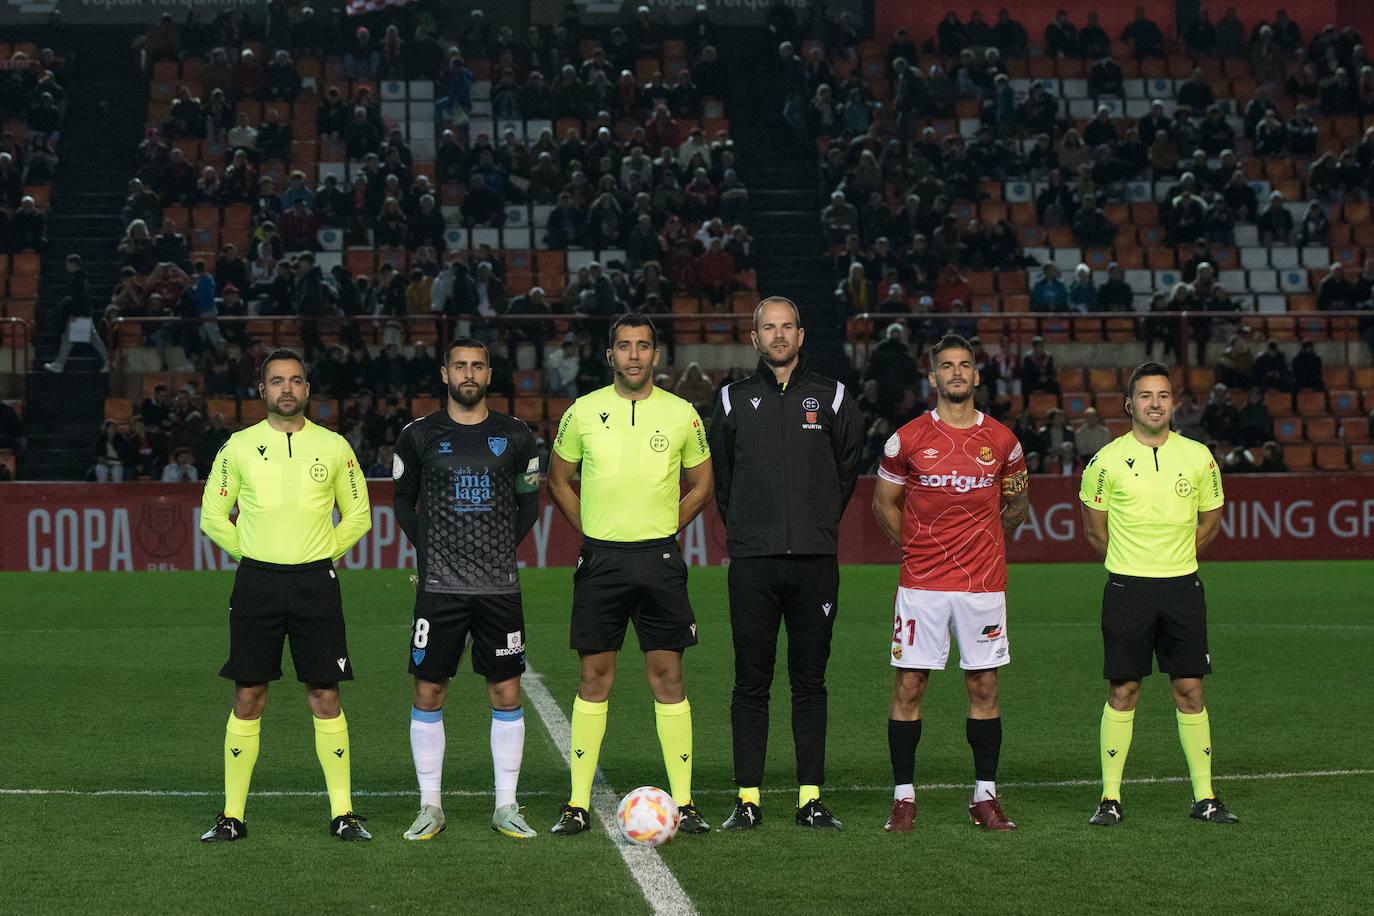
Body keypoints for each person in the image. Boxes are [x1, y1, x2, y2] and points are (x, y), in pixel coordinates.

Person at [545, 313, 714, 837]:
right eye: (624, 346)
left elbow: (702, 485)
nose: (634, 355)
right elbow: (558, 480)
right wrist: (592, 531)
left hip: (659, 560)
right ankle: (576, 803)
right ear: (610, 355)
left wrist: (666, 529)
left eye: (643, 346)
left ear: (656, 356)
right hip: (602, 562)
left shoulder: (684, 414)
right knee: (594, 677)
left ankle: (683, 803)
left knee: (668, 677)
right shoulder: (582, 412)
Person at [199, 348, 374, 842]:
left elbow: (359, 514)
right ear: (262, 390)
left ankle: (343, 813)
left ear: (307, 389)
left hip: (316, 582)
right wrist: (253, 553)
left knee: (325, 693)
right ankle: (233, 815)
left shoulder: (335, 447)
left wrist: (322, 551)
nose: (287, 389)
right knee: (249, 694)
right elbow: (213, 516)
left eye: (296, 380)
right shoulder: (237, 447)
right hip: (257, 582)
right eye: (277, 381)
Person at [707, 297, 864, 832]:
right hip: (752, 561)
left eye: (786, 327)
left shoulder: (835, 396)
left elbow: (846, 474)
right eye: (767, 328)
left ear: (801, 334)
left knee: (809, 681)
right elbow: (721, 482)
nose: (777, 336)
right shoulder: (729, 400)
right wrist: (752, 530)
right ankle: (748, 798)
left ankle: (810, 797)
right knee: (750, 682)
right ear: (754, 339)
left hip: (815, 563)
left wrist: (815, 523)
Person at [872, 333, 1030, 833]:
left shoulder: (1004, 441)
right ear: (933, 376)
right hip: (922, 584)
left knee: (984, 685)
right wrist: (917, 547)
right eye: (947, 366)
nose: (957, 373)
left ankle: (984, 797)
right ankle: (904, 798)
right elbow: (883, 503)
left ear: (976, 376)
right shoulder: (907, 438)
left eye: (965, 365)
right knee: (910, 685)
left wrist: (987, 543)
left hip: (982, 585)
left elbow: (1018, 503)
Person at [392, 338, 542, 842]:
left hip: (499, 587)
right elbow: (403, 503)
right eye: (460, 365)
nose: (469, 373)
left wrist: (498, 548)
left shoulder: (516, 435)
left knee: (505, 689)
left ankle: (506, 806)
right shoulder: (418, 436)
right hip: (440, 588)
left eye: (477, 365)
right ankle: (430, 806)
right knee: (429, 689)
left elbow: (529, 507)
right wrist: (433, 552)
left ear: (489, 374)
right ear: (444, 373)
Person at [1079, 362, 1238, 828]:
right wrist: (1137, 563)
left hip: (1183, 588)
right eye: (1146, 395)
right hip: (1127, 589)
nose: (1155, 403)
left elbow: (1210, 519)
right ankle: (1110, 799)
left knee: (1190, 689)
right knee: (1123, 689)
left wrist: (1173, 560)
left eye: (1163, 395)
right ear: (1129, 404)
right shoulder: (1105, 460)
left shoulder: (1198, 457)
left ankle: (1205, 797)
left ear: (1173, 403)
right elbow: (1094, 530)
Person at [44, 254, 109, 373]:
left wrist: (75, 314)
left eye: (68, 264)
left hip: (80, 314)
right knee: (90, 340)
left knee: (69, 339)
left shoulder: (77, 280)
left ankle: (59, 364)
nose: (66, 266)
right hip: (84, 313)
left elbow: (79, 299)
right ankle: (109, 361)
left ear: (73, 264)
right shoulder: (82, 279)